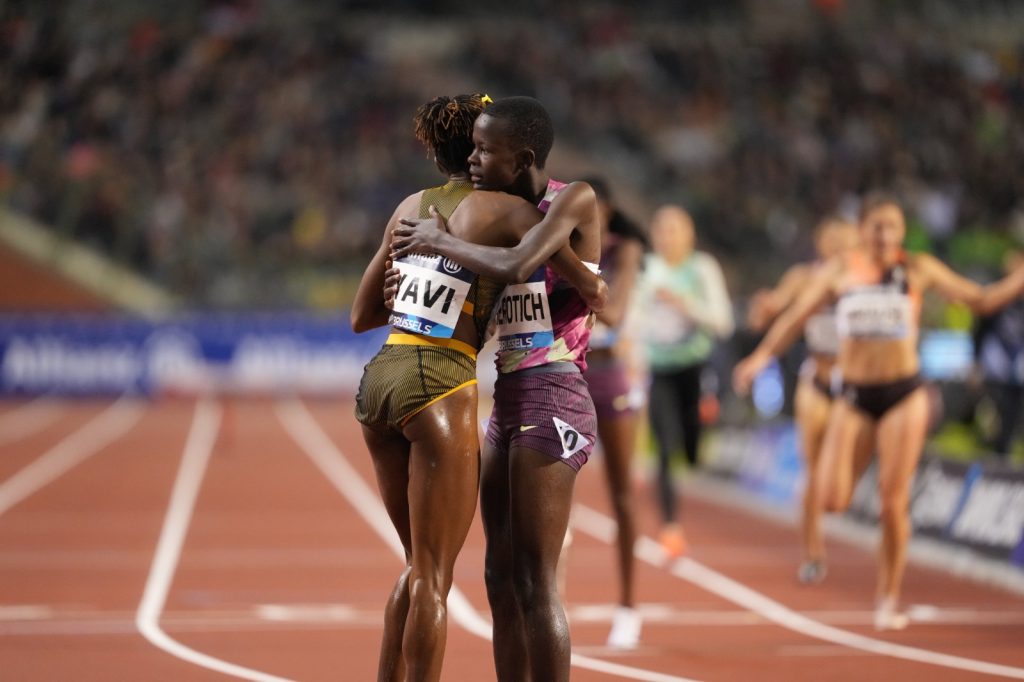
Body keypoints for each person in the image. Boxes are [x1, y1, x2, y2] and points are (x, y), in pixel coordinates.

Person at [350, 93, 601, 682]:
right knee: (446, 575)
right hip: (457, 388)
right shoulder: (510, 214)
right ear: (473, 153)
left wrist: (426, 257)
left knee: (429, 569)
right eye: (481, 147)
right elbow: (568, 277)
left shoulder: (412, 208)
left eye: (494, 150)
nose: (484, 158)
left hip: (391, 377)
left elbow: (361, 315)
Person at [733, 192, 1024, 631]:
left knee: (893, 502)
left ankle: (887, 597)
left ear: (902, 230)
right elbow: (795, 317)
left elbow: (980, 300)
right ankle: (851, 496)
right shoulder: (839, 271)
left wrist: (1019, 279)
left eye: (893, 226)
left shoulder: (918, 268)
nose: (886, 235)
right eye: (877, 226)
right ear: (863, 230)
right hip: (852, 395)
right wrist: (759, 358)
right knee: (831, 497)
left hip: (904, 393)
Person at [746, 216, 860, 584]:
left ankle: (838, 494)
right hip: (818, 380)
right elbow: (776, 310)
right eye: (831, 239)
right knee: (813, 473)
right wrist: (765, 307)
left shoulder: (865, 279)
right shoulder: (803, 277)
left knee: (837, 485)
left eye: (846, 240)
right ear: (819, 244)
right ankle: (813, 553)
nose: (838, 246)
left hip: (856, 384)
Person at [634, 205, 734, 560]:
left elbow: (723, 322)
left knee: (690, 451)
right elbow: (635, 320)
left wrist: (684, 304)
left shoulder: (702, 269)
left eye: (675, 229)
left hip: (696, 367)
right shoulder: (646, 269)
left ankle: (695, 440)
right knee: (664, 448)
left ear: (689, 235)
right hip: (660, 370)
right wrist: (633, 362)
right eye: (661, 229)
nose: (667, 236)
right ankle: (670, 527)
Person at [574, 177, 648, 648]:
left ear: (609, 209)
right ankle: (547, 602)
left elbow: (616, 312)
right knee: (551, 495)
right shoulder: (557, 243)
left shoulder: (626, 250)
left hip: (610, 374)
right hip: (566, 373)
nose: (587, 217)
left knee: (622, 494)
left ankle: (628, 608)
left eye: (594, 208)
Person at [973, 248, 1024, 459]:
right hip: (996, 363)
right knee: (994, 410)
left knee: (1014, 411)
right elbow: (980, 329)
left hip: (1019, 363)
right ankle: (995, 450)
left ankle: (1006, 449)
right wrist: (975, 362)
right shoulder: (998, 294)